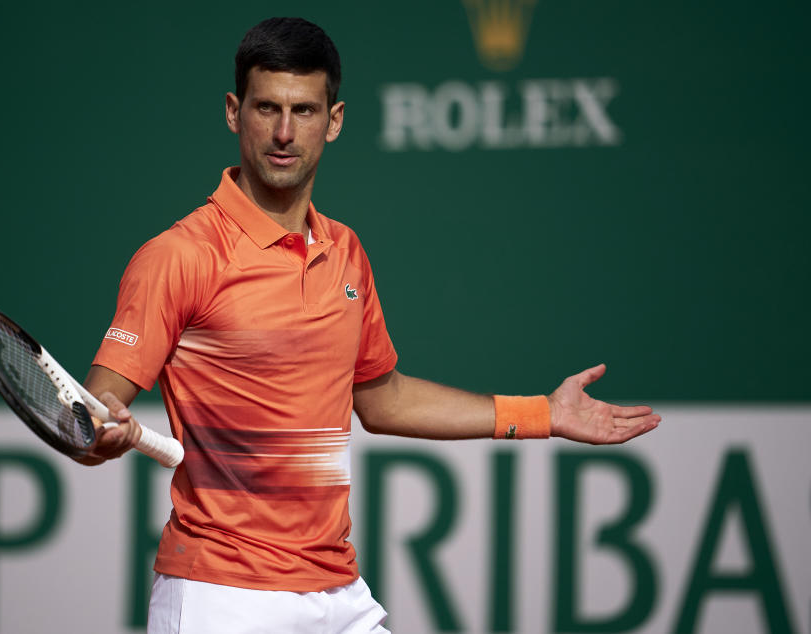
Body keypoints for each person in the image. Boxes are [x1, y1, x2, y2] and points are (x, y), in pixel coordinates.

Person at [80, 16, 660, 634]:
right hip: (223, 594)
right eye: (266, 108)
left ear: (333, 120)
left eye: (303, 110)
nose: (282, 132)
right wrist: (100, 432)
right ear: (233, 111)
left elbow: (382, 399)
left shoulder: (346, 250)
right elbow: (93, 410)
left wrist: (545, 413)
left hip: (335, 590)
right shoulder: (179, 255)